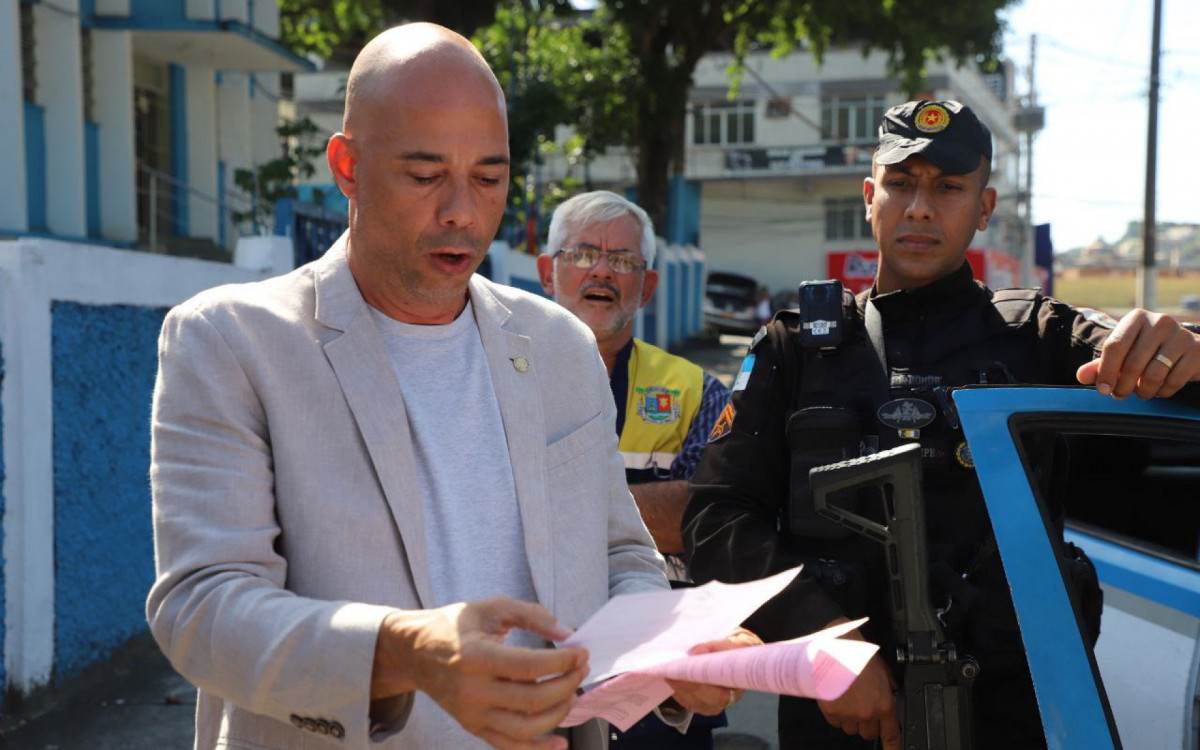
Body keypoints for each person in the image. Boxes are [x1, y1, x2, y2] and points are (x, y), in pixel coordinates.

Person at [147, 24, 753, 750]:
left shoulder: (557, 345)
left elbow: (618, 555)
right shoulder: (232, 342)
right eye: (426, 174)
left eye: (489, 178)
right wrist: (405, 650)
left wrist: (664, 640)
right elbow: (201, 609)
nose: (462, 210)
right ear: (348, 165)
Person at [683, 99, 1200, 750]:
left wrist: (1182, 348)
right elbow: (715, 519)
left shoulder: (1038, 336)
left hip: (1010, 713)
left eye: (949, 188)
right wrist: (822, 637)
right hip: (841, 718)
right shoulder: (795, 349)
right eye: (901, 184)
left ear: (984, 210)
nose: (920, 207)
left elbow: (1161, 360)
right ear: (870, 197)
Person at [538, 191, 734, 749]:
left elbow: (712, 516)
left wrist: (551, 509)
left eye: (623, 260)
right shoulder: (495, 381)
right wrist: (650, 501)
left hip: (667, 683)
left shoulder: (694, 390)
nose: (601, 270)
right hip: (540, 674)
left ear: (646, 286)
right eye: (581, 254)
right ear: (547, 272)